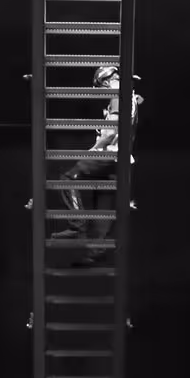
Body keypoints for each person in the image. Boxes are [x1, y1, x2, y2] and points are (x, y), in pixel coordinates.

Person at [52, 65, 142, 264]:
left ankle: (77, 226)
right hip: (122, 160)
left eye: (101, 88)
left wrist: (93, 150)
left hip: (110, 155)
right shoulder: (130, 96)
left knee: (68, 178)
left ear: (107, 82)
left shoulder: (118, 95)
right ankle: (95, 251)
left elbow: (110, 132)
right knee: (103, 205)